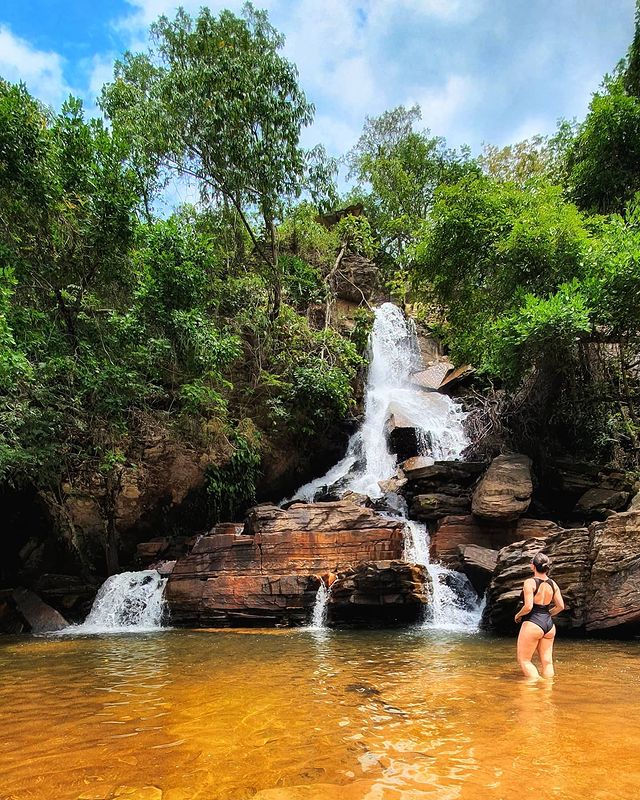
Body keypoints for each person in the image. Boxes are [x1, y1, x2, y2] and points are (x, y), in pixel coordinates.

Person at [514, 552, 565, 679]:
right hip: (549, 625)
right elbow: (561, 606)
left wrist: (518, 615)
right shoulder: (553, 584)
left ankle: (535, 688)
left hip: (532, 622)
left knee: (524, 660)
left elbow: (528, 607)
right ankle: (547, 692)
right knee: (547, 662)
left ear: (533, 566)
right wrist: (548, 615)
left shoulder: (530, 582)